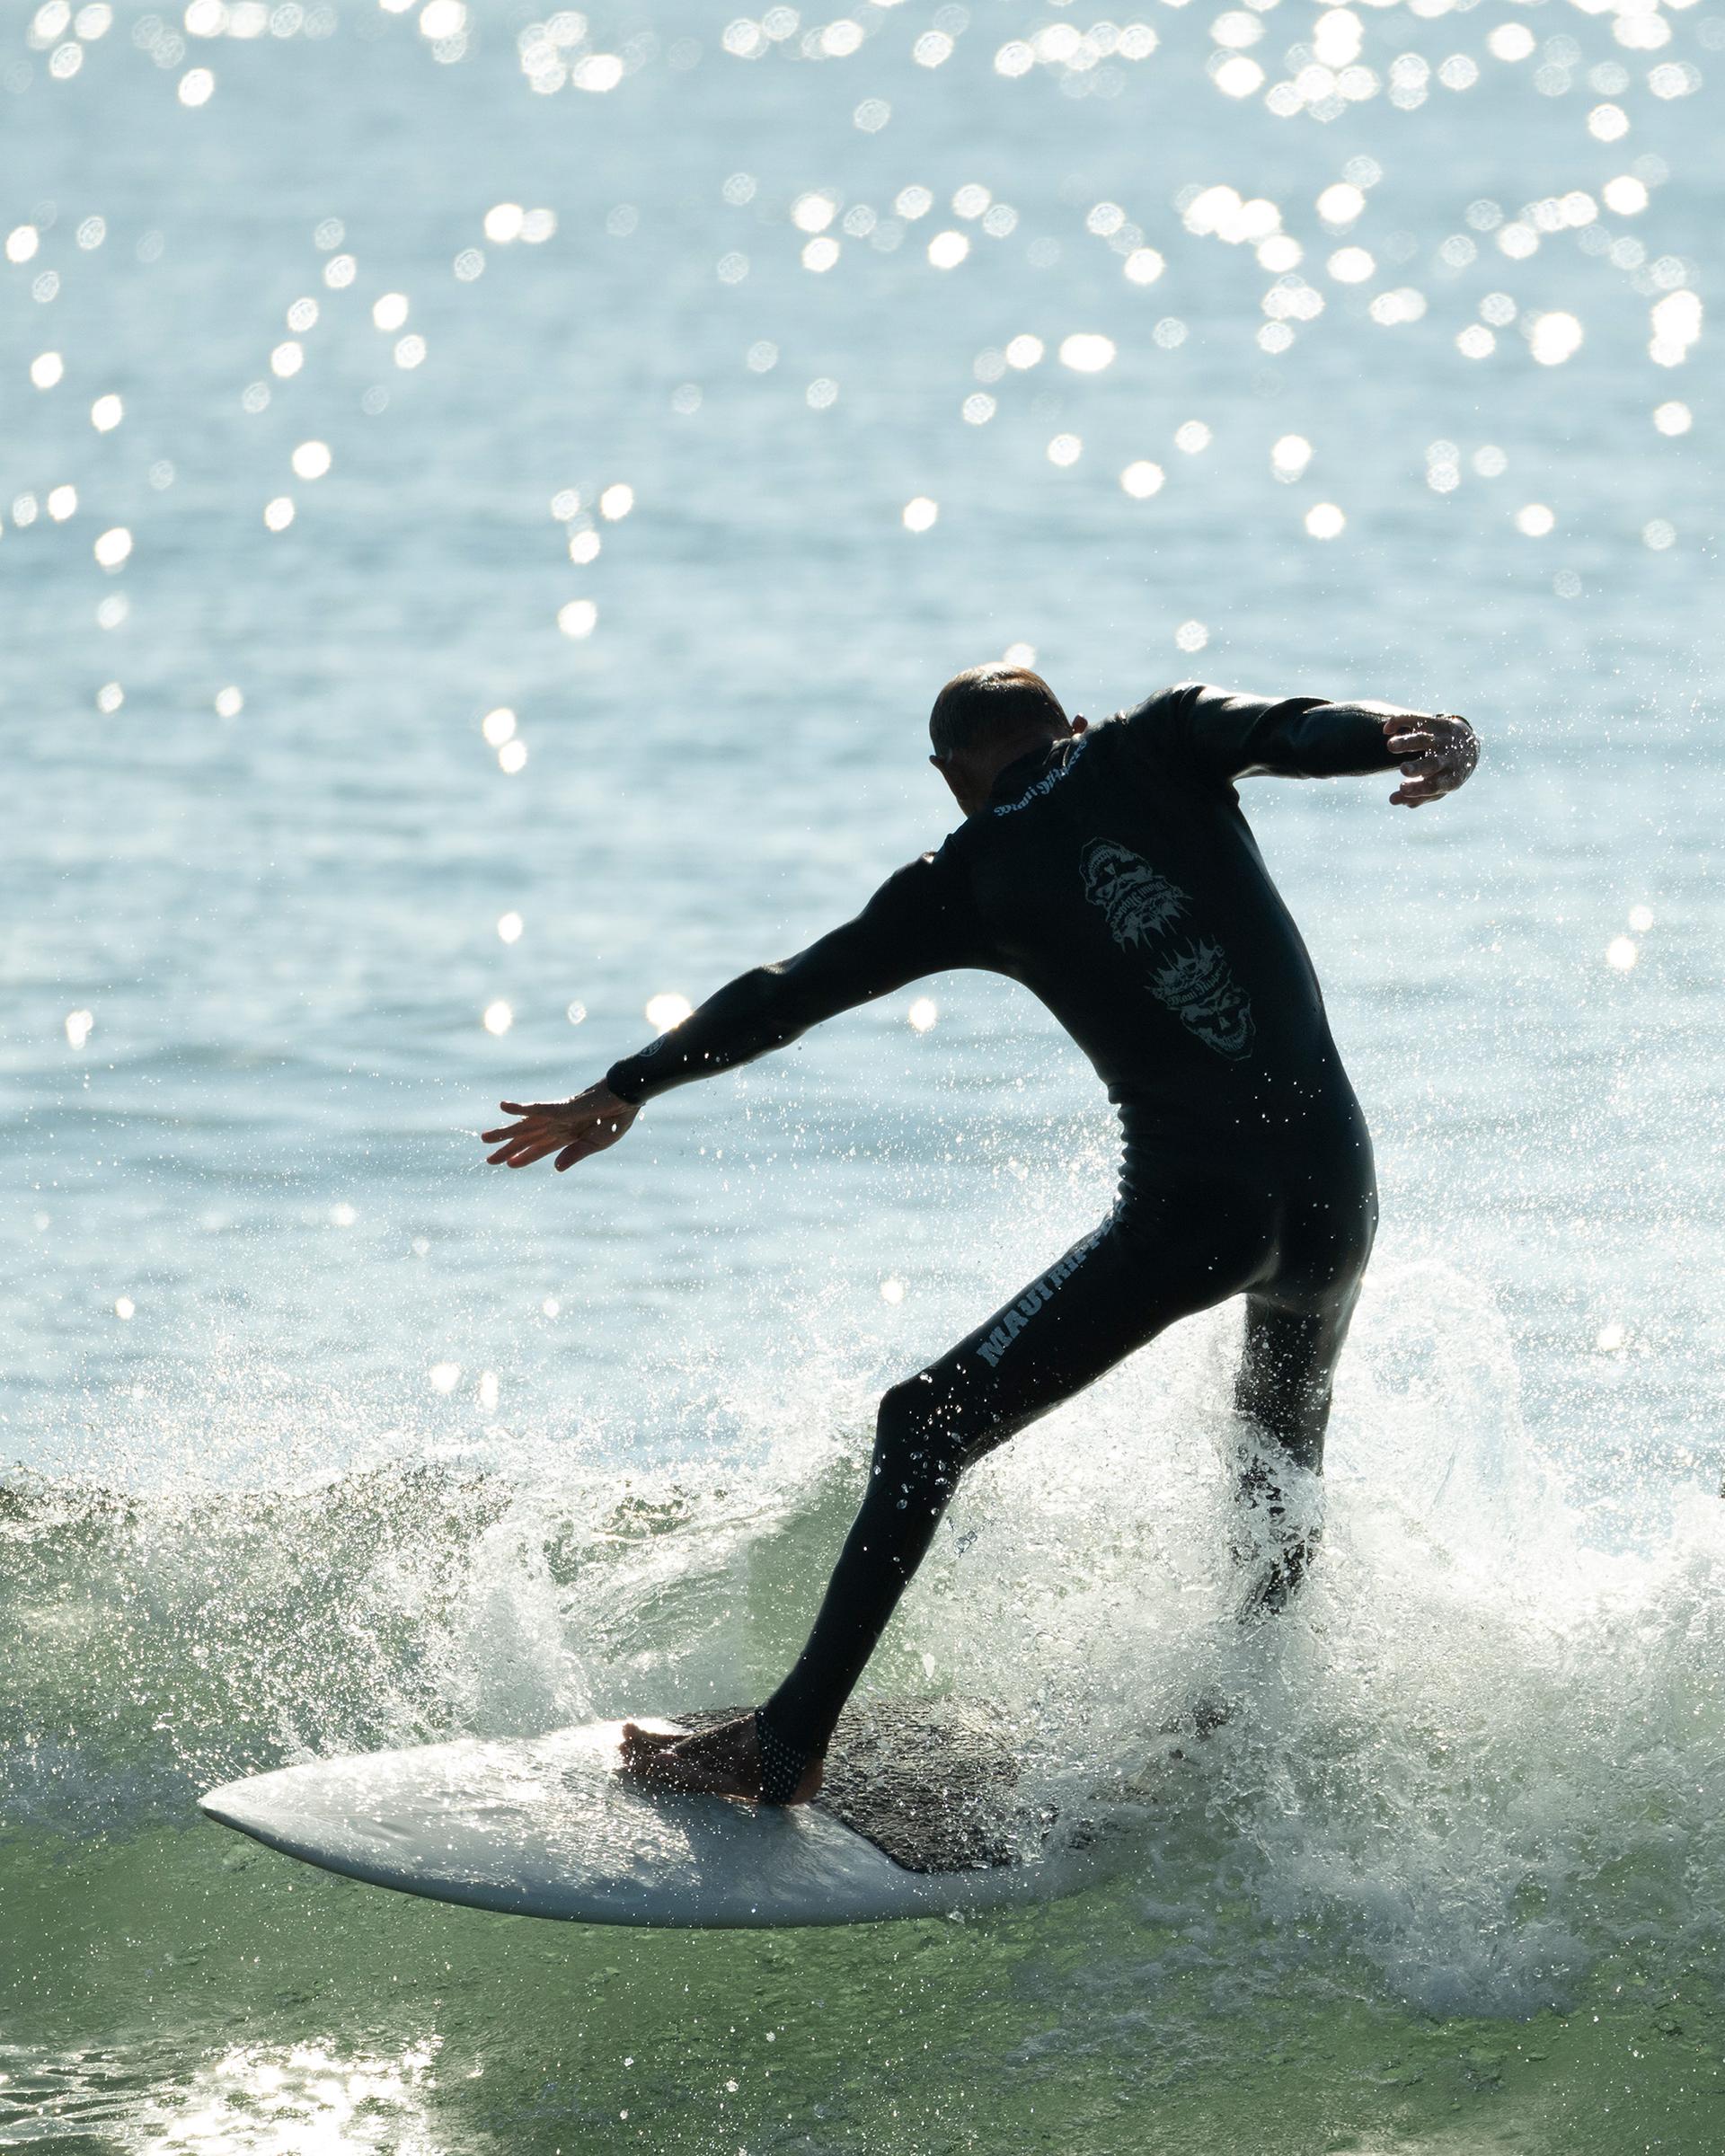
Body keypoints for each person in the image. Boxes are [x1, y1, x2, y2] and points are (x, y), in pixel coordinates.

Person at [482, 667, 1480, 1806]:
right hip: (1339, 1196)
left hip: (1199, 1215)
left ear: (951, 776)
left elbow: (783, 992)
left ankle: (786, 1741)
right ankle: (1245, 1727)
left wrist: (627, 1086)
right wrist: (1410, 735)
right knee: (1276, 1452)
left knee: (922, 1427)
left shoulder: (966, 876)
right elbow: (1292, 727)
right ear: (1067, 726)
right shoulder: (1155, 741)